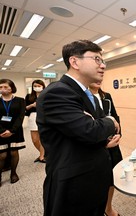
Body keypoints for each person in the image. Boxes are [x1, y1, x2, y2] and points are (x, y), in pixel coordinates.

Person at [36, 40, 121, 216]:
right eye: (97, 59)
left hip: (93, 179)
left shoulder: (84, 93)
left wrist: (102, 137)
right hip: (73, 187)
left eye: (103, 60)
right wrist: (111, 120)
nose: (103, 65)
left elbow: (91, 132)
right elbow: (91, 130)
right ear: (75, 62)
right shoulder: (57, 92)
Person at [89, 81, 122, 216]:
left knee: (111, 179)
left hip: (112, 144)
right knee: (96, 180)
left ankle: (108, 208)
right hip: (96, 146)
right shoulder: (83, 98)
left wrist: (119, 134)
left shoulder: (106, 96)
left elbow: (115, 116)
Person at [0, 79, 26, 186]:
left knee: (13, 153)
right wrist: (2, 130)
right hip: (0, 131)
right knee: (2, 155)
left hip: (15, 130)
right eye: (0, 87)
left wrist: (12, 130)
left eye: (5, 87)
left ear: (12, 88)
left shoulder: (20, 100)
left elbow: (21, 117)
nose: (2, 89)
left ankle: (13, 173)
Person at [25, 79, 46, 163]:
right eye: (35, 86)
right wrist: (32, 105)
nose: (37, 87)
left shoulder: (46, 95)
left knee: (42, 138)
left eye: (39, 86)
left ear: (43, 87)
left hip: (44, 117)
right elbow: (25, 108)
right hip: (33, 116)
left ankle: (42, 156)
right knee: (35, 139)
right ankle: (44, 153)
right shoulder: (28, 96)